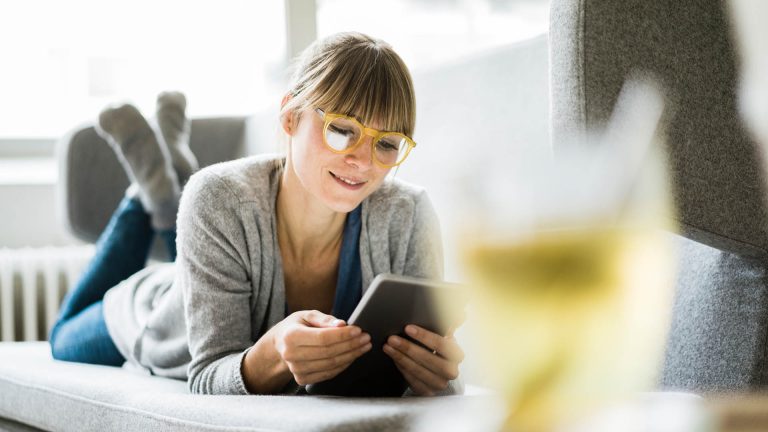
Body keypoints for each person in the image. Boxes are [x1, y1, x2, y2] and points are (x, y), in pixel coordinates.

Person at [50, 31, 464, 397]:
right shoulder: (217, 198)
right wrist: (270, 354)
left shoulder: (409, 214)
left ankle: (165, 187)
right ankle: (146, 198)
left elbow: (436, 368)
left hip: (215, 255)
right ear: (289, 117)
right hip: (156, 308)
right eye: (341, 130)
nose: (363, 160)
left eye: (387, 143)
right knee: (62, 338)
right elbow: (207, 374)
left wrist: (438, 376)